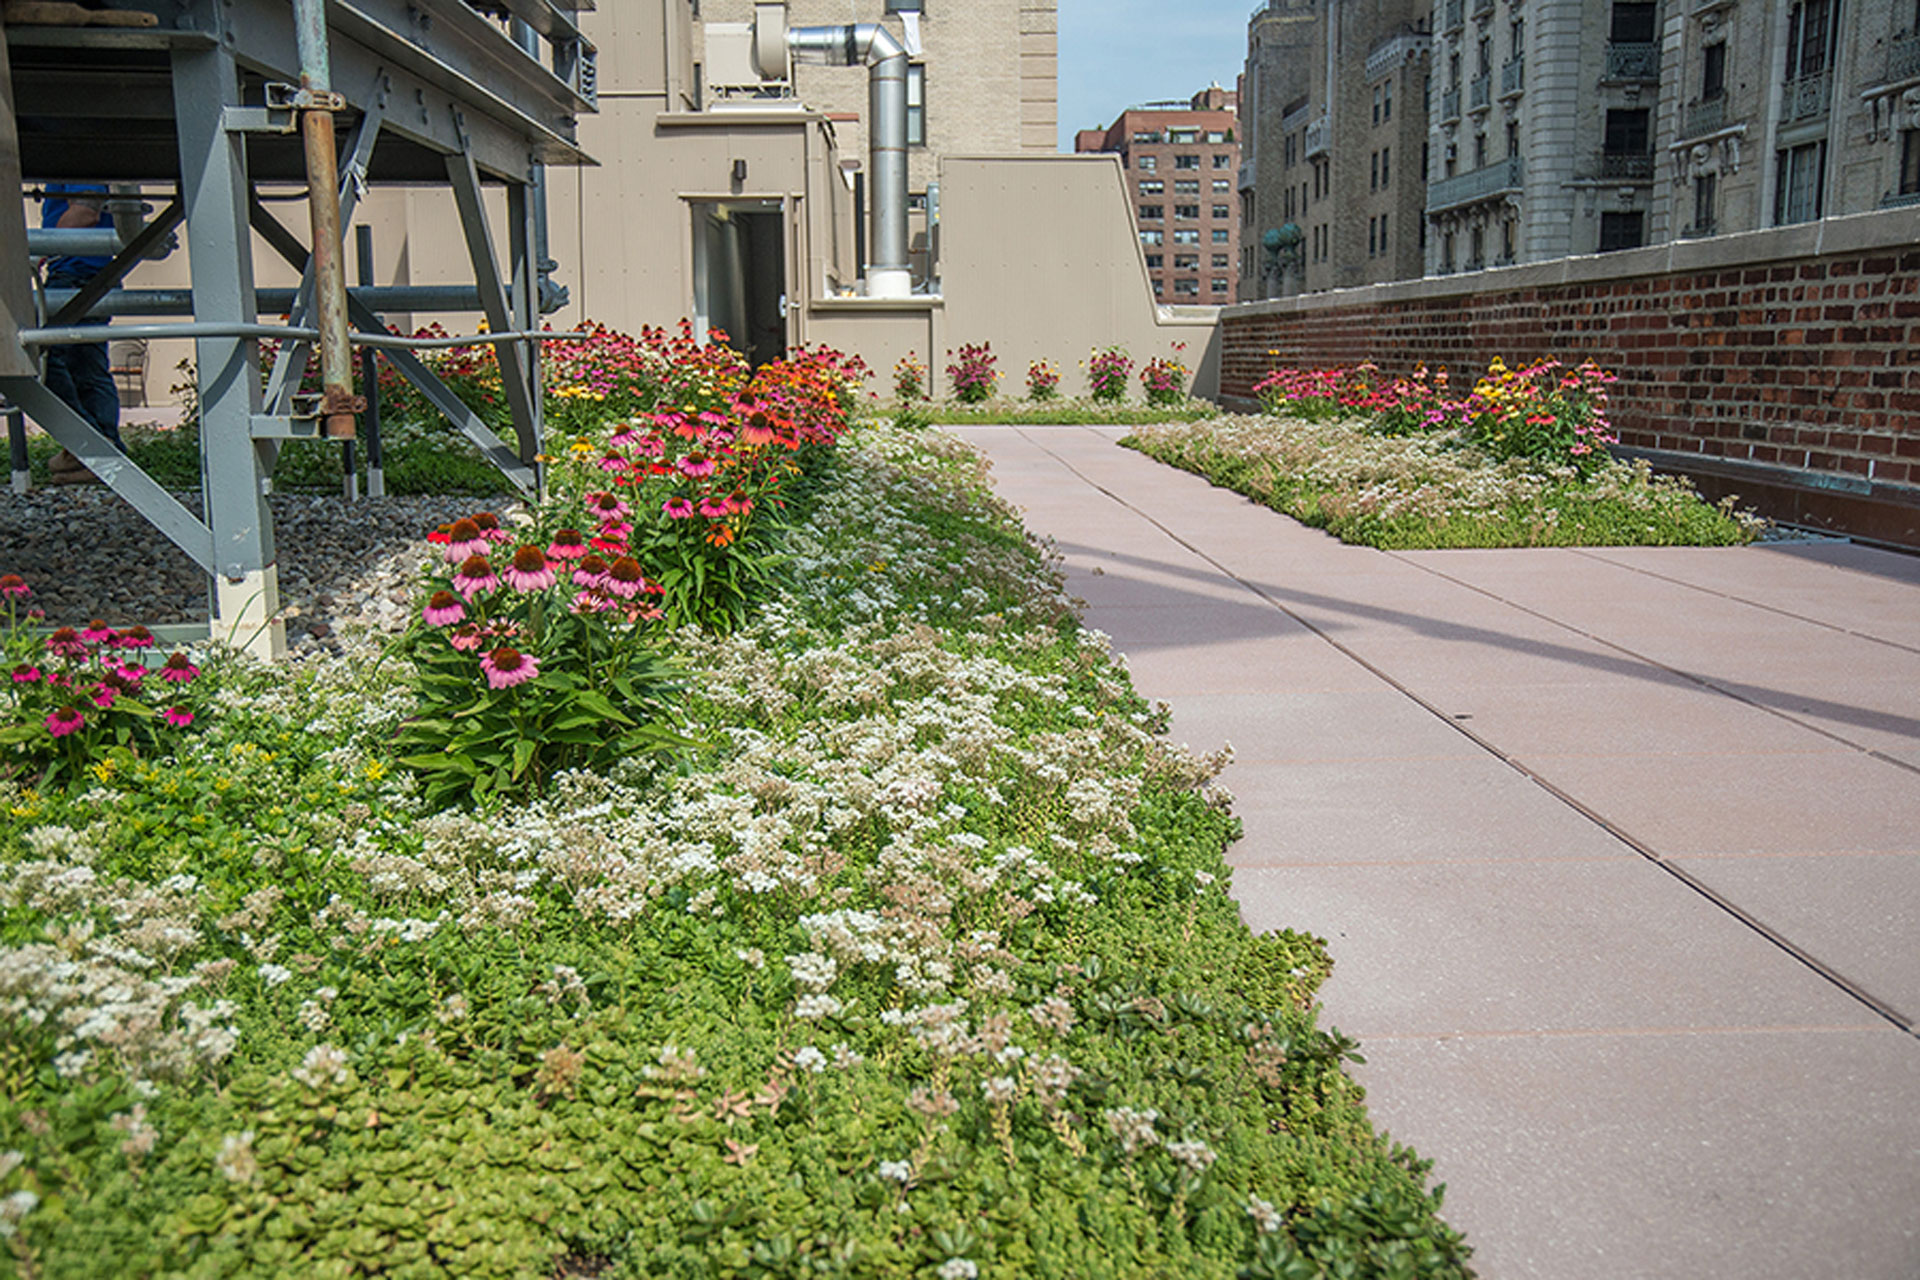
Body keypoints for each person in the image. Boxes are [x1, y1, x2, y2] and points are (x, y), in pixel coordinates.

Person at [38, 182, 122, 482]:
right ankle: (96, 453)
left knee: (43, 357)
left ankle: (90, 446)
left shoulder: (76, 157)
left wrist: (39, 250)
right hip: (89, 272)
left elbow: (85, 211)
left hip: (75, 272)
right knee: (87, 367)